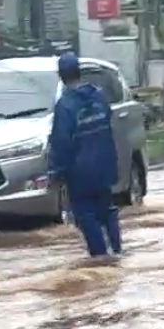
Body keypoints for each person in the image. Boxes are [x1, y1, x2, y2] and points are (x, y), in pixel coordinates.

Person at [49, 52, 122, 259]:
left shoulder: (65, 106)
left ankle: (101, 260)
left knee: (87, 217)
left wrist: (57, 173)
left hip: (80, 174)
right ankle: (117, 252)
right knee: (107, 212)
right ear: (79, 72)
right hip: (104, 168)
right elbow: (109, 127)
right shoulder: (99, 97)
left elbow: (61, 143)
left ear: (62, 77)